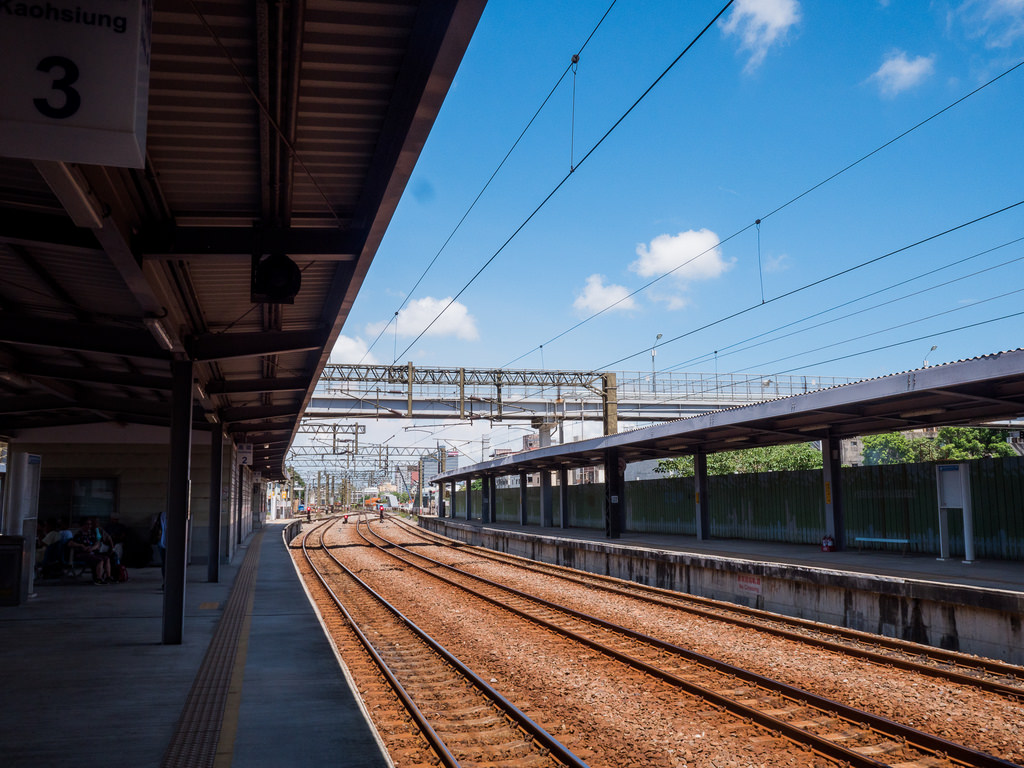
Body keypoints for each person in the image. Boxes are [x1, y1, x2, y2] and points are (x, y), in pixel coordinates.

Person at [67, 519, 112, 584]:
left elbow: (97, 544)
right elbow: (70, 543)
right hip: (82, 553)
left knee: (106, 558)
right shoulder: (78, 534)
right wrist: (81, 545)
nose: (89, 526)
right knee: (99, 560)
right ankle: (98, 579)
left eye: (90, 524)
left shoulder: (91, 534)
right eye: (87, 524)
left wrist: (92, 548)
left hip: (92, 552)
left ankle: (108, 577)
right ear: (82, 526)